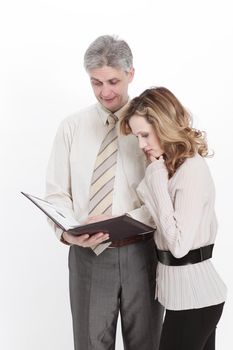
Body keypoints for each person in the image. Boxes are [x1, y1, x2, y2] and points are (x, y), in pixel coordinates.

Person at [45, 35, 164, 350]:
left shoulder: (151, 126)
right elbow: (57, 193)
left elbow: (164, 191)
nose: (106, 92)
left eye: (113, 81)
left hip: (143, 253)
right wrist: (66, 232)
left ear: (131, 74)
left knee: (148, 344)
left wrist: (124, 220)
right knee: (90, 344)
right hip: (89, 256)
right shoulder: (71, 127)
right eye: (96, 83)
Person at [120, 87, 227, 350]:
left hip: (196, 299)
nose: (142, 144)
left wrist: (155, 177)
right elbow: (154, 216)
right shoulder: (171, 167)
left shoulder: (190, 170)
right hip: (186, 298)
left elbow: (179, 246)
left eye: (145, 134)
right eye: (137, 137)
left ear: (164, 125)